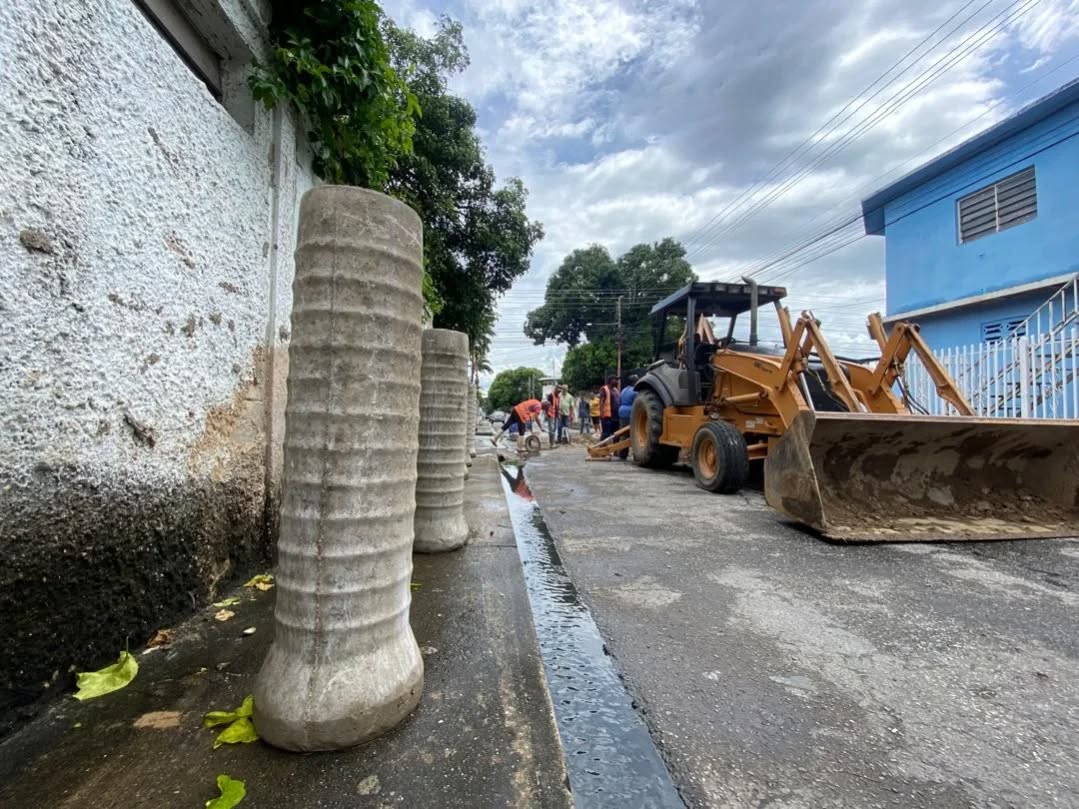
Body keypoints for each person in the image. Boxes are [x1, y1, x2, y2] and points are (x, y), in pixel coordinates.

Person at [617, 375, 639, 459]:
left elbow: (619, 401)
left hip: (622, 412)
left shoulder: (623, 390)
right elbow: (638, 403)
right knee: (634, 434)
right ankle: (636, 455)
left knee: (623, 434)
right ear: (635, 382)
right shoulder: (635, 391)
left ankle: (623, 454)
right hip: (630, 413)